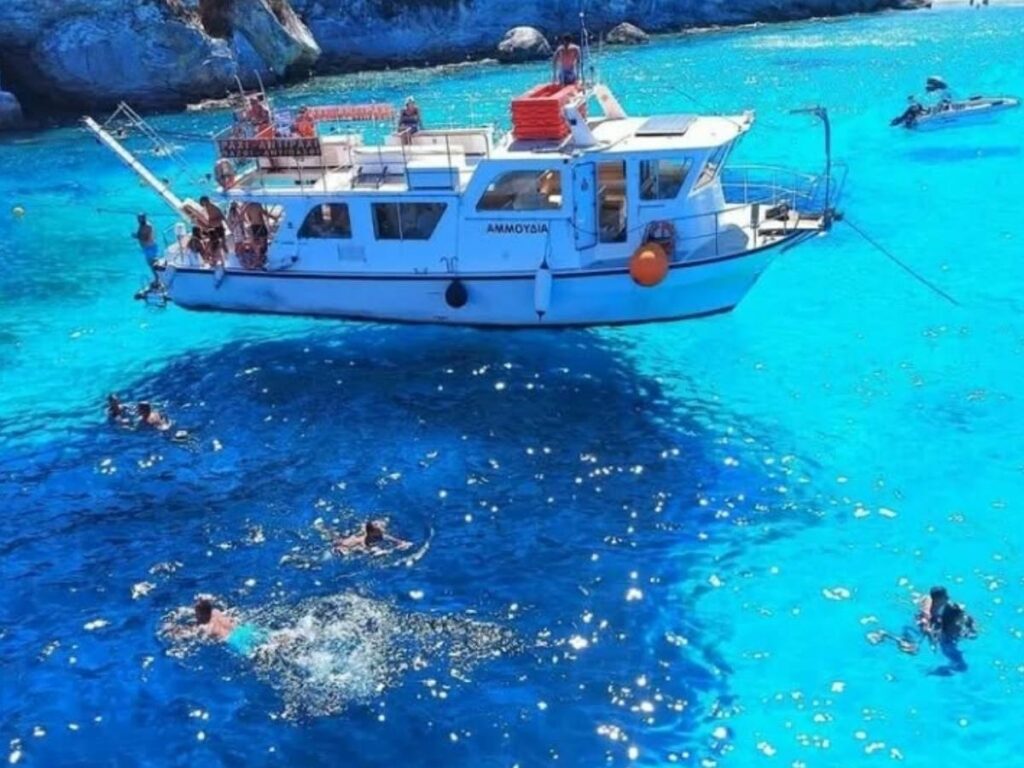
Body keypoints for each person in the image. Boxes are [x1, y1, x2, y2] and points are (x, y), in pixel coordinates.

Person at [333, 519, 412, 555]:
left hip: (342, 546)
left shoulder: (363, 531)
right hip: (343, 549)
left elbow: (388, 537)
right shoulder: (362, 541)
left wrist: (400, 542)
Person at [199, 196, 227, 264]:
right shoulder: (206, 208)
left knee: (221, 244)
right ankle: (217, 259)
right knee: (214, 244)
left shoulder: (214, 207)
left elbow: (222, 217)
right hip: (212, 228)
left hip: (218, 228)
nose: (204, 205)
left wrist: (212, 222)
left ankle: (225, 258)